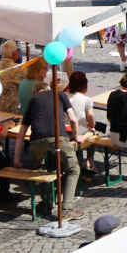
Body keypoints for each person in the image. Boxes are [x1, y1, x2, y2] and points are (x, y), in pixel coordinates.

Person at [14, 80, 82, 220]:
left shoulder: (32, 101)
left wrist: (17, 159)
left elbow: (21, 135)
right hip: (58, 138)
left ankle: (46, 201)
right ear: (48, 88)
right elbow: (73, 120)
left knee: (39, 170)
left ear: (35, 92)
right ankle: (66, 208)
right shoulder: (60, 94)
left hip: (36, 140)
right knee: (73, 169)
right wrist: (76, 136)